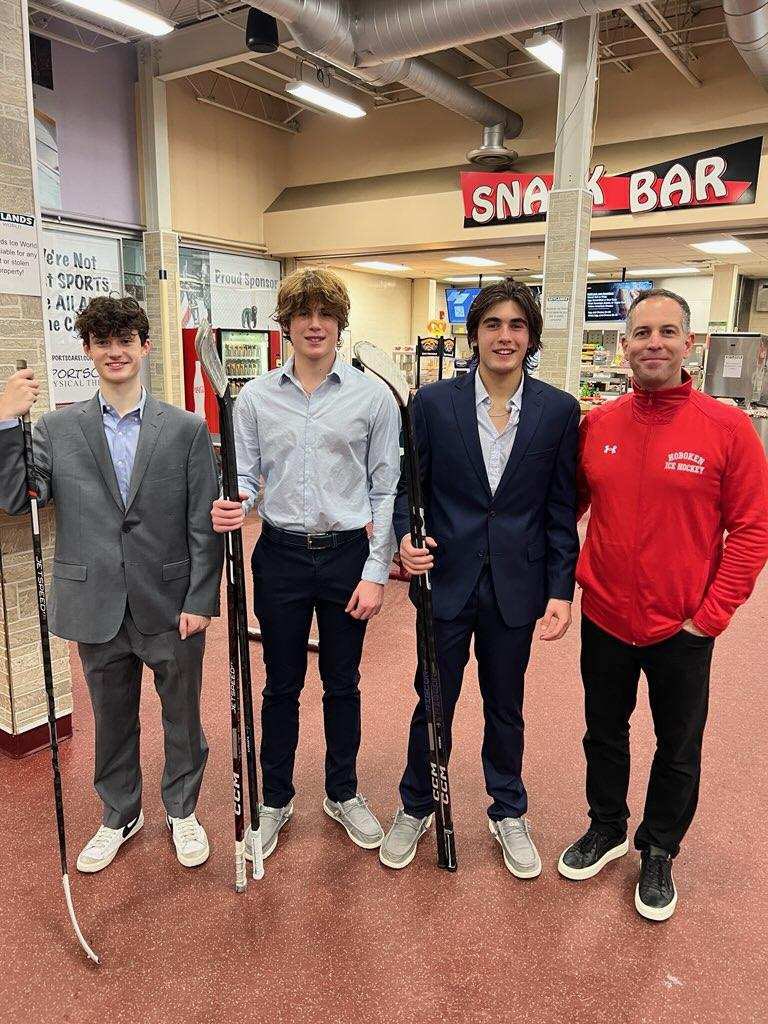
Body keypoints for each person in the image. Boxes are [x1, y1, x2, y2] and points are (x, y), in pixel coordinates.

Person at [558, 288, 768, 921]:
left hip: (682, 626)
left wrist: (709, 616)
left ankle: (658, 848)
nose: (654, 343)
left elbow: (753, 529)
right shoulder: (598, 425)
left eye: (667, 332)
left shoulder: (728, 429)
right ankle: (607, 827)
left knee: (678, 743)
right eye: (641, 333)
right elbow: (565, 510)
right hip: (605, 618)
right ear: (624, 347)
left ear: (689, 343)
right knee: (603, 732)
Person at [0, 296, 223, 873]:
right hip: (94, 602)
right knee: (112, 717)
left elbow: (204, 522)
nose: (115, 352)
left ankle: (182, 810)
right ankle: (120, 814)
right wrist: (4, 422)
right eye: (103, 342)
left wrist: (201, 599)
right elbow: (16, 499)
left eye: (125, 340)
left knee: (182, 716)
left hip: (171, 603)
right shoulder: (54, 427)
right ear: (88, 351)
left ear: (145, 347)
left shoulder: (185, 429)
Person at [379, 279, 580, 876]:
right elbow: (406, 489)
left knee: (505, 704)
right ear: (475, 335)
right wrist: (406, 539)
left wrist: (559, 589)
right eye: (493, 324)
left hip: (516, 584)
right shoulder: (433, 405)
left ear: (531, 338)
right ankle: (416, 803)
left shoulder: (558, 412)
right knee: (433, 700)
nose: (504, 336)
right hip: (446, 578)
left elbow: (559, 508)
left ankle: (508, 809)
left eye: (517, 326)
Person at [211, 267, 400, 860]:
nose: (314, 325)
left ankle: (342, 793)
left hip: (346, 555)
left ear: (340, 325)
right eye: (302, 315)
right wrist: (234, 499)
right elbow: (244, 476)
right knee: (281, 685)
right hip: (281, 556)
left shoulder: (372, 398)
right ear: (287, 325)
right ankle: (278, 798)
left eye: (325, 315)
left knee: (343, 682)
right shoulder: (257, 398)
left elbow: (385, 491)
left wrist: (375, 572)